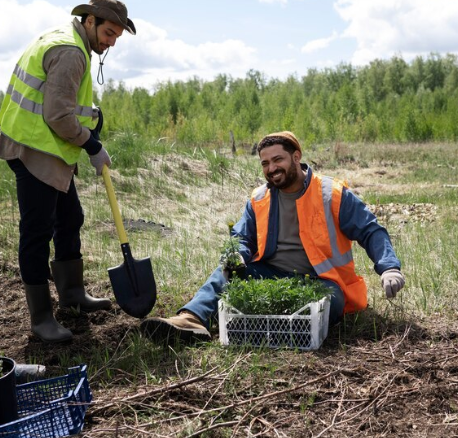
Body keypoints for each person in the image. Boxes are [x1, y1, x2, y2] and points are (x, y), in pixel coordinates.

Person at [140, 131, 405, 345]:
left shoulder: (331, 193)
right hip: (270, 274)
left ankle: (263, 328)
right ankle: (192, 319)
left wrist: (389, 267)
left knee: (328, 305)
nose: (271, 168)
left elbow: (371, 230)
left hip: (323, 282)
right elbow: (241, 237)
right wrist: (237, 256)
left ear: (296, 157)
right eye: (265, 163)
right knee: (225, 272)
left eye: (278, 160)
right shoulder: (259, 199)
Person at [0, 0, 136, 343]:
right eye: (108, 32)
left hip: (47, 146)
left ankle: (71, 295)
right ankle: (42, 318)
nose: (111, 42)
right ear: (89, 21)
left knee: (70, 217)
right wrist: (91, 144)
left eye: (116, 36)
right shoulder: (72, 52)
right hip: (35, 148)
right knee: (37, 231)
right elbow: (57, 116)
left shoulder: (65, 40)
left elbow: (61, 101)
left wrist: (91, 119)